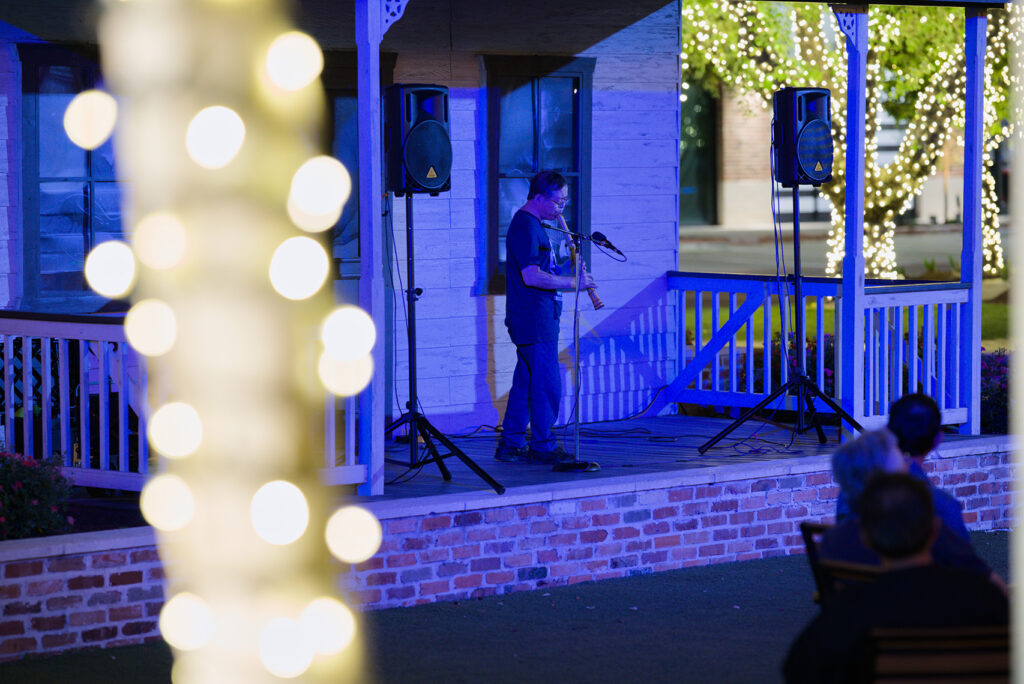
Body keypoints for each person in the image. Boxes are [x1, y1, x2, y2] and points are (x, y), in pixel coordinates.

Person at [784, 473, 1008, 684]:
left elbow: (800, 668)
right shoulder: (985, 597)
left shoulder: (852, 608)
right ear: (936, 531)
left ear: (867, 538)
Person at [494, 170, 596, 470]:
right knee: (546, 384)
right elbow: (531, 275)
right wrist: (573, 284)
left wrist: (568, 266)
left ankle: (511, 443)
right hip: (534, 318)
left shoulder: (536, 225)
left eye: (565, 201)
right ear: (539, 197)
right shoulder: (526, 226)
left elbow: (542, 268)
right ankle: (543, 445)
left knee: (525, 383)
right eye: (558, 201)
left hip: (535, 316)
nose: (561, 208)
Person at [824, 429, 997, 583]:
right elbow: (980, 579)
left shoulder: (833, 541)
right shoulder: (930, 528)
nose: (909, 466)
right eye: (904, 462)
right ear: (892, 482)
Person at [835, 394, 970, 542]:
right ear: (937, 439)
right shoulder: (942, 507)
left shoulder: (849, 494)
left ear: (888, 430)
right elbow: (962, 563)